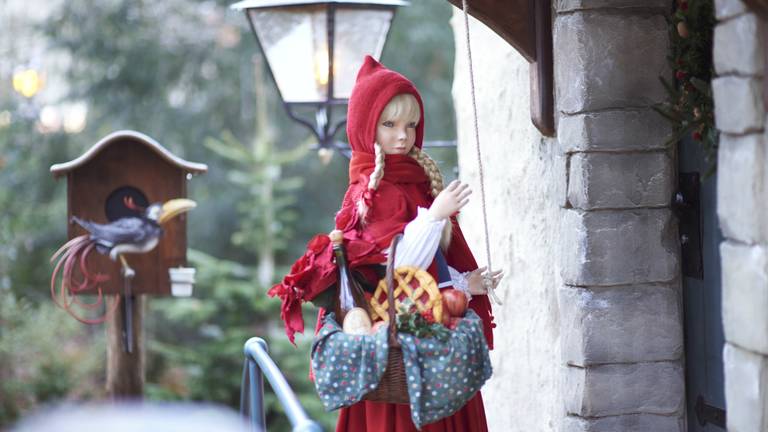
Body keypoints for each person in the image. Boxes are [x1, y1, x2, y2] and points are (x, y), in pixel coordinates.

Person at [269, 55, 502, 432]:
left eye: (411, 124)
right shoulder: (369, 191)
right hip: (394, 357)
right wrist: (434, 216)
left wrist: (463, 284)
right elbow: (391, 269)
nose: (403, 136)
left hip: (431, 346)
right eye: (389, 124)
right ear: (366, 127)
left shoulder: (415, 182)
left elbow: (427, 275)